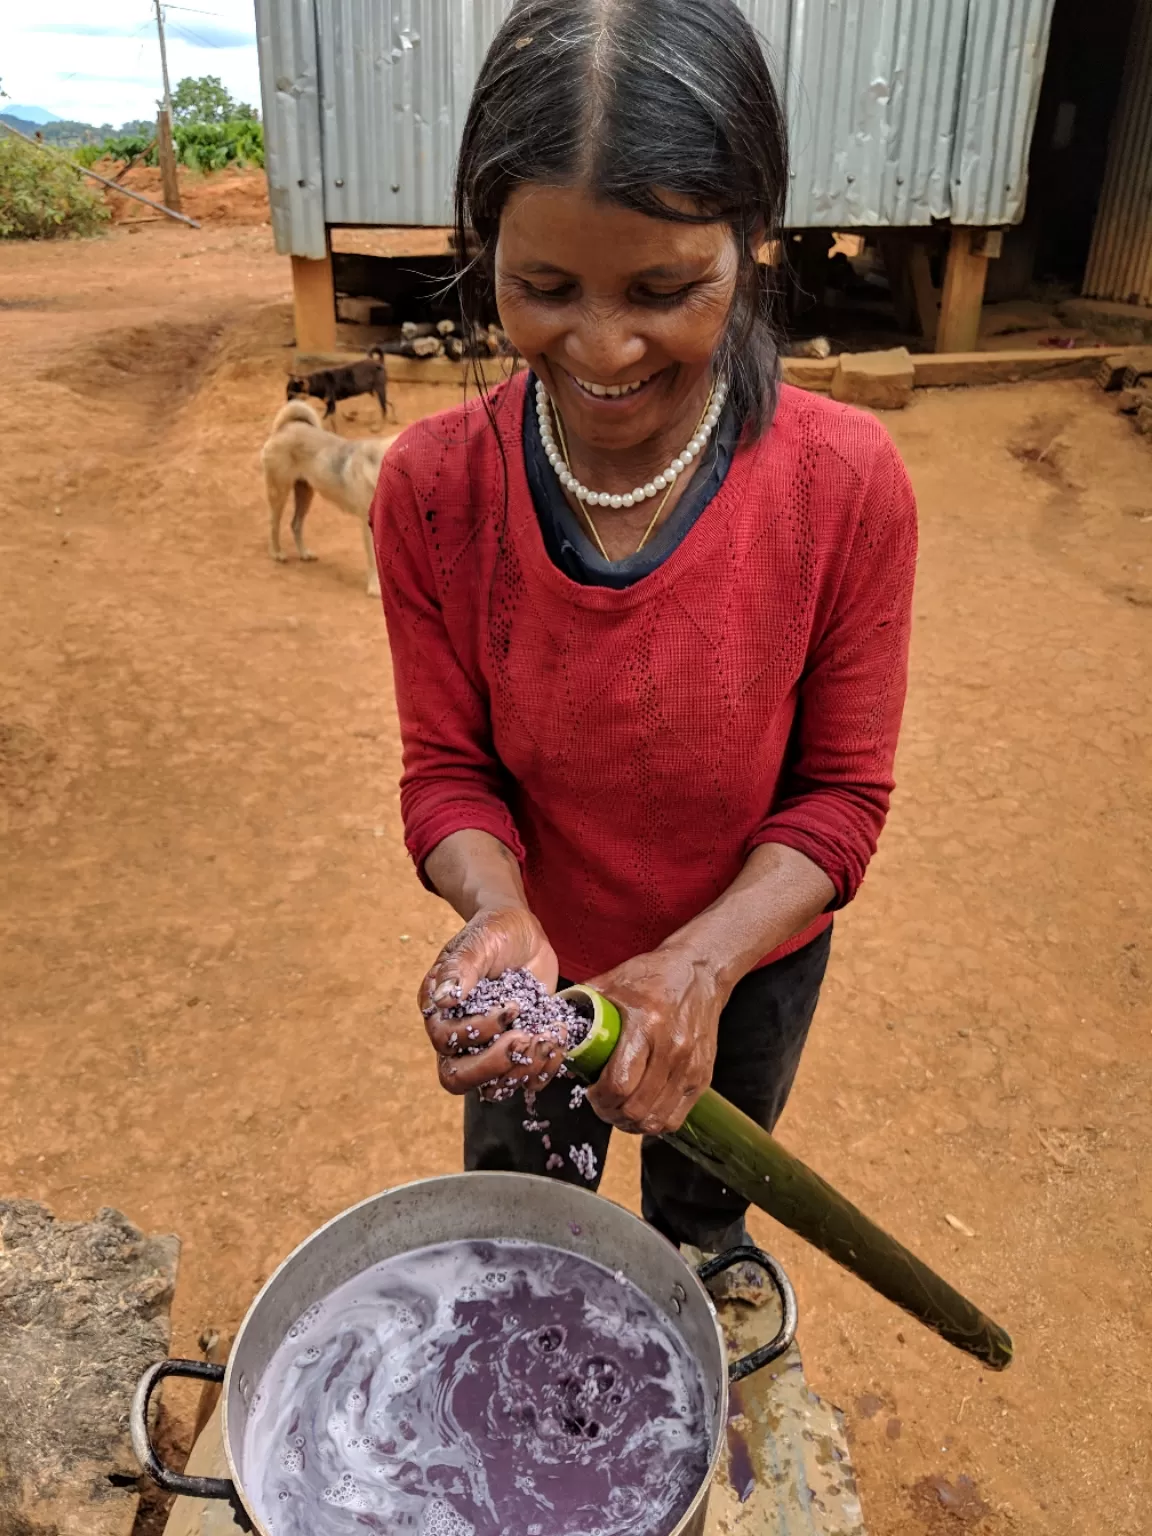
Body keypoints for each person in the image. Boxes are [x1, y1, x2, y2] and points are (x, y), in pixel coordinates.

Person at [372, 0, 917, 1256]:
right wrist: (495, 908)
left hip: (751, 964)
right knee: (530, 1233)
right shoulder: (434, 488)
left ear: (755, 242)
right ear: (483, 248)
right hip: (533, 982)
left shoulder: (845, 485)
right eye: (542, 287)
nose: (603, 346)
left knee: (694, 1230)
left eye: (666, 290)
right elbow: (449, 773)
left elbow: (840, 799)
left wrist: (708, 969)